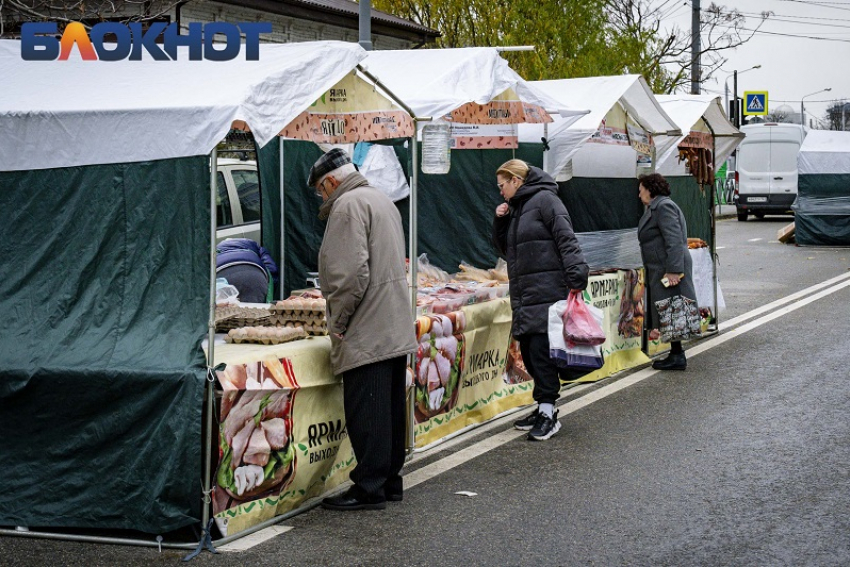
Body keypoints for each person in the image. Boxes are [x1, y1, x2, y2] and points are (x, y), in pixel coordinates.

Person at [309, 148, 418, 511]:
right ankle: (389, 481)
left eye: (320, 191)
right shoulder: (379, 199)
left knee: (367, 411)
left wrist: (337, 324)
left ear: (329, 182)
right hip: (391, 320)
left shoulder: (346, 206)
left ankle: (369, 487)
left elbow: (349, 275)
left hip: (367, 325)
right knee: (388, 408)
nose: (321, 199)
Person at [492, 159, 589, 441]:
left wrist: (576, 276)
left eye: (502, 185)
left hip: (546, 291)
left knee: (541, 353)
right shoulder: (518, 208)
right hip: (526, 293)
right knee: (531, 353)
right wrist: (500, 221)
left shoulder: (546, 201)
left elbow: (566, 239)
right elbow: (507, 249)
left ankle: (548, 411)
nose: (500, 192)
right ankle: (542, 406)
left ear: (515, 181)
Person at [637, 172, 698, 371]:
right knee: (670, 308)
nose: (639, 195)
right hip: (662, 266)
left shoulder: (663, 207)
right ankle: (676, 352)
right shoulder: (657, 207)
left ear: (650, 189)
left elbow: (674, 240)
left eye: (641, 190)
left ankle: (677, 355)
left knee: (673, 307)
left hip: (668, 267)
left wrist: (673, 270)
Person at [216, 238, 278, 303]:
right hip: (254, 274)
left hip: (222, 273)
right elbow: (272, 267)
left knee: (226, 310)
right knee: (253, 311)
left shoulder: (217, 249)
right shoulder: (254, 244)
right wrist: (270, 288)